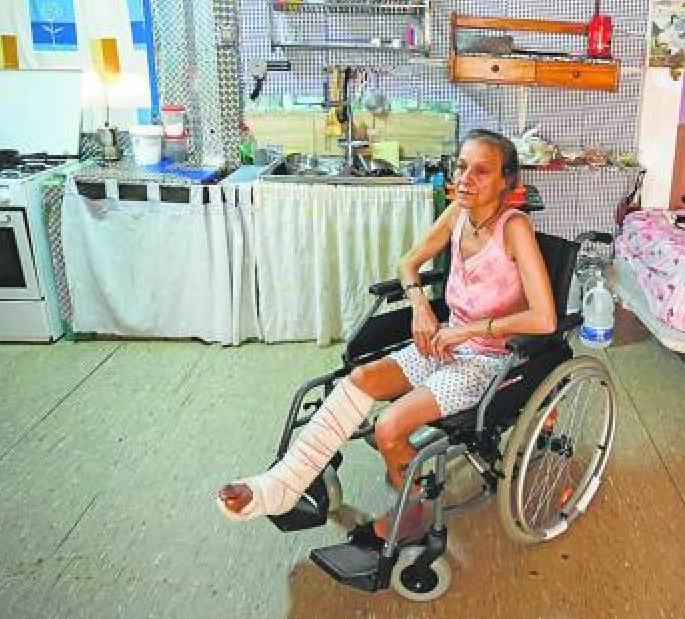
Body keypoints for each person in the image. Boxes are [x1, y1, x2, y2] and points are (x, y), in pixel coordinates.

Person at [217, 129, 556, 541]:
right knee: (359, 378)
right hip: (443, 341)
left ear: (506, 181)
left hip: (489, 359)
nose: (465, 179)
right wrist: (421, 307)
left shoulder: (515, 228)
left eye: (481, 171)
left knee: (389, 427)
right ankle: (288, 483)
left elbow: (544, 319)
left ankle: (414, 511)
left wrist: (464, 331)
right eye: (462, 167)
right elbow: (408, 263)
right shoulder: (458, 214)